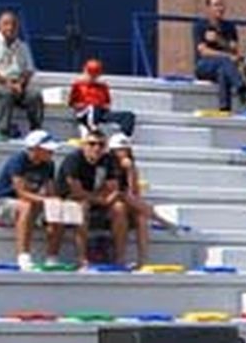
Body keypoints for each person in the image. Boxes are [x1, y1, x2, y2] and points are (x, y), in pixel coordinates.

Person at [0, 130, 58, 269]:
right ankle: (23, 256)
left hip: (28, 204)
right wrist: (46, 201)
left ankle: (52, 257)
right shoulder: (18, 160)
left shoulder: (49, 165)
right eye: (48, 149)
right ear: (35, 149)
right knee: (26, 206)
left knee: (56, 210)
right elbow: (21, 192)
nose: (52, 152)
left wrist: (55, 203)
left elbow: (50, 191)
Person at [55, 129, 129, 268]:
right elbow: (75, 190)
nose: (96, 148)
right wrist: (102, 199)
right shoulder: (74, 159)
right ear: (83, 145)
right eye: (92, 143)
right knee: (82, 207)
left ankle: (120, 258)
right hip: (70, 199)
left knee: (120, 208)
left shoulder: (108, 160)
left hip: (94, 198)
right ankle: (82, 259)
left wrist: (106, 198)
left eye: (101, 145)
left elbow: (114, 186)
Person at [0, 10, 43, 137]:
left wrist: (20, 84)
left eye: (13, 24)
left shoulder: (22, 46)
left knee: (34, 96)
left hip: (17, 86)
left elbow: (28, 70)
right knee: (5, 93)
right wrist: (7, 83)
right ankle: (1, 131)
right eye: (6, 24)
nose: (10, 27)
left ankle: (37, 133)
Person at [106, 133, 168, 267]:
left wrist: (130, 171)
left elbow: (134, 192)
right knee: (120, 208)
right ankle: (120, 257)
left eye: (125, 150)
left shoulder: (130, 166)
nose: (122, 153)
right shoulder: (107, 165)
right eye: (119, 150)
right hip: (109, 202)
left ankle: (143, 260)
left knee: (141, 217)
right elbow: (114, 191)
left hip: (125, 200)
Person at [193, 0, 246, 111]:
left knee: (222, 72)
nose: (220, 8)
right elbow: (203, 51)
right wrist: (226, 56)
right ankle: (240, 85)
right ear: (208, 8)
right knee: (224, 62)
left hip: (225, 67)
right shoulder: (200, 25)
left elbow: (234, 49)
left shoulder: (229, 27)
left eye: (221, 5)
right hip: (204, 66)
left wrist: (219, 40)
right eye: (216, 5)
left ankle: (224, 107)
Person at [68, 59, 136, 137]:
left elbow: (107, 104)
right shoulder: (78, 86)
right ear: (85, 71)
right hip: (84, 113)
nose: (92, 77)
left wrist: (101, 106)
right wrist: (87, 104)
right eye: (90, 74)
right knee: (92, 107)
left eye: (95, 74)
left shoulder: (103, 87)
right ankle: (92, 128)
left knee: (129, 115)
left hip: (100, 113)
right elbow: (72, 104)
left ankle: (123, 136)